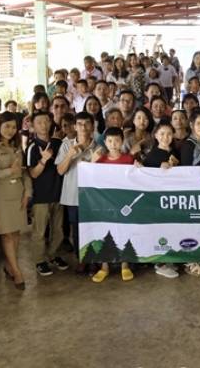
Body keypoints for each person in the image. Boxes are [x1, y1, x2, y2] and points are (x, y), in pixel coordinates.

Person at [0, 111, 32, 290]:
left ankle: (10, 265)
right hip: (0, 196)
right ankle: (17, 271)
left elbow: (24, 172)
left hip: (18, 193)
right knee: (6, 234)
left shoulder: (17, 146)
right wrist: (9, 171)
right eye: (7, 126)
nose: (10, 130)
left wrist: (27, 193)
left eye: (13, 127)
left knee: (16, 233)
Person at [89, 127, 135, 283]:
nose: (113, 144)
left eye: (116, 140)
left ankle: (125, 265)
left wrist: (139, 168)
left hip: (123, 203)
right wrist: (92, 162)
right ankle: (104, 267)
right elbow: (89, 176)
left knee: (124, 232)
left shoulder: (129, 159)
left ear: (122, 141)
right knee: (104, 233)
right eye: (110, 141)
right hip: (104, 204)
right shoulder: (100, 160)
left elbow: (137, 177)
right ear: (105, 142)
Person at [26, 111, 68, 277]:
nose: (43, 125)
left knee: (58, 230)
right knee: (39, 231)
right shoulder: (32, 147)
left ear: (51, 123)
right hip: (40, 196)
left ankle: (53, 255)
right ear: (33, 126)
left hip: (58, 193)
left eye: (46, 121)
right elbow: (33, 174)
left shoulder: (59, 143)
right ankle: (39, 260)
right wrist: (43, 160)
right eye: (39, 122)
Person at [56, 112, 97, 273]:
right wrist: (70, 155)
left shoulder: (98, 147)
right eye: (79, 124)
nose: (83, 127)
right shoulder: (67, 145)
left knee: (93, 227)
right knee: (77, 229)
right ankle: (81, 259)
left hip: (93, 196)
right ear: (74, 126)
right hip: (73, 195)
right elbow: (60, 170)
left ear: (92, 126)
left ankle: (92, 259)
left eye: (87, 123)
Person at [142, 122, 180, 279]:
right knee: (160, 230)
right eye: (162, 133)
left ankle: (169, 259)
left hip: (173, 198)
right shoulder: (152, 155)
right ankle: (160, 263)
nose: (166, 137)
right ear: (156, 136)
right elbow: (145, 177)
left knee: (172, 229)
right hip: (157, 200)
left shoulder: (175, 152)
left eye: (169, 133)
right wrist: (159, 168)